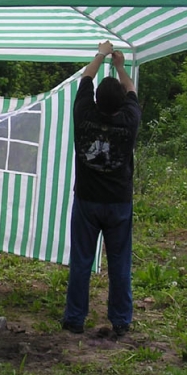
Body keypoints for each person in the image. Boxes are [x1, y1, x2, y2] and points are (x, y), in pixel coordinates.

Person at [62, 40, 141, 337]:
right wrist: (121, 66)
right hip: (119, 202)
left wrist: (101, 53)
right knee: (120, 263)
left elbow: (86, 77)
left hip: (86, 201)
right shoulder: (130, 120)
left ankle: (75, 319)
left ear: (94, 99)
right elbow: (131, 90)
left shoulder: (83, 113)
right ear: (122, 103)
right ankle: (121, 322)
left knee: (82, 261)